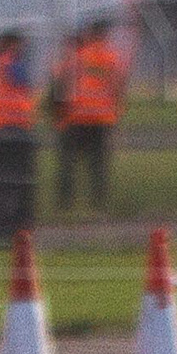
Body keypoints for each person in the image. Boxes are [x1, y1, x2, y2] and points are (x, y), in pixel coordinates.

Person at [53, 21, 124, 213]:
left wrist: (61, 114)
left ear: (91, 33)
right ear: (105, 34)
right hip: (102, 118)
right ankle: (99, 202)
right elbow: (117, 86)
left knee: (68, 161)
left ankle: (65, 201)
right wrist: (116, 110)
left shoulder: (78, 56)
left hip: (78, 117)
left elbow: (64, 85)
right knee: (98, 163)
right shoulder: (112, 57)